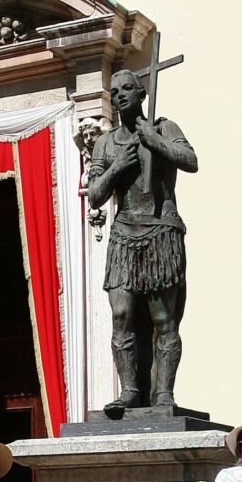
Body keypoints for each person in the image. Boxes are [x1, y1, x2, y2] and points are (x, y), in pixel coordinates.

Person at [87, 68, 198, 412]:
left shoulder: (165, 127)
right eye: (114, 90)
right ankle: (130, 389)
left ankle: (163, 392)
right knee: (121, 314)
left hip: (161, 229)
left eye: (126, 89)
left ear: (141, 93)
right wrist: (118, 166)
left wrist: (154, 140)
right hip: (124, 232)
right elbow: (94, 195)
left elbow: (190, 161)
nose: (119, 95)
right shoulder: (106, 142)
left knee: (164, 318)